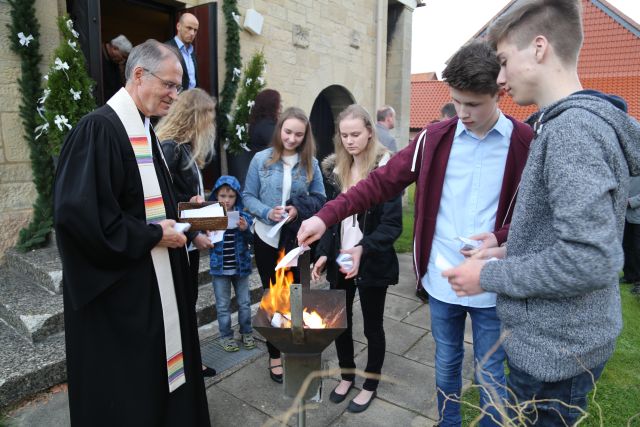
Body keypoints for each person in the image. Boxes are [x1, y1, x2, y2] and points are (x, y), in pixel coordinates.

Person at [298, 40, 533, 427]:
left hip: (492, 282)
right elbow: (376, 184)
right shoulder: (433, 138)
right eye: (456, 102)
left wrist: (503, 236)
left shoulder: (524, 143)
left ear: (499, 91)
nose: (463, 113)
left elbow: (532, 215)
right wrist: (326, 217)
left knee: (490, 375)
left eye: (473, 104)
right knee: (446, 364)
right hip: (441, 280)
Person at [440, 1, 640, 425]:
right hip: (558, 342)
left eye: (505, 61)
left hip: (557, 354)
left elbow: (590, 259)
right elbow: (565, 238)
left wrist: (487, 276)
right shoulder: (564, 124)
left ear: (540, 47)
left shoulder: (573, 132)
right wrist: (506, 251)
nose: (499, 78)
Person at [54, 39, 210, 425]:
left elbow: (148, 204)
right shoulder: (99, 130)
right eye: (170, 85)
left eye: (179, 87)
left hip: (154, 290)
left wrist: (195, 218)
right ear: (139, 75)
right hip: (124, 298)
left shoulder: (145, 130)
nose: (175, 96)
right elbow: (82, 221)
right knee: (131, 391)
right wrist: (155, 236)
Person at [312, 104, 401, 413]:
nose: (349, 141)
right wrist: (323, 253)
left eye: (355, 134)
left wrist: (363, 248)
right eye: (344, 135)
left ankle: (371, 383)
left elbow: (393, 225)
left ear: (369, 133)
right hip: (341, 259)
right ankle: (347, 376)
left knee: (372, 327)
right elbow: (331, 218)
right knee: (341, 323)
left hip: (372, 259)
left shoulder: (385, 169)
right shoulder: (336, 170)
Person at [243, 107, 326, 384]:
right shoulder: (260, 160)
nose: (291, 138)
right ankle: (274, 355)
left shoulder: (311, 163)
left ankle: (297, 347)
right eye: (287, 132)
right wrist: (268, 212)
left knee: (297, 295)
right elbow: (247, 197)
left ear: (306, 137)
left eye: (298, 134)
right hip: (267, 238)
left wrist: (297, 210)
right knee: (273, 297)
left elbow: (321, 199)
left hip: (297, 241)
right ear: (280, 130)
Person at [157, 88, 217, 303]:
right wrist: (194, 234)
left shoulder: (186, 147)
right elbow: (166, 198)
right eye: (207, 116)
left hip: (186, 236)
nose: (210, 123)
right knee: (182, 300)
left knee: (189, 298)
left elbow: (188, 195)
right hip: (178, 238)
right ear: (194, 116)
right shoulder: (170, 148)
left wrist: (209, 220)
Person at [208, 176, 256, 352]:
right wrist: (208, 232)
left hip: (241, 267)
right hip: (219, 269)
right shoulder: (210, 216)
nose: (226, 200)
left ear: (237, 197)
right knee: (222, 306)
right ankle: (226, 336)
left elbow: (252, 239)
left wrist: (245, 229)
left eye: (231, 196)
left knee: (244, 303)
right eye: (222, 196)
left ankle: (246, 332)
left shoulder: (243, 216)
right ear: (216, 196)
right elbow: (205, 241)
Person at [166, 13, 199, 90]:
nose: (192, 33)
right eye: (189, 28)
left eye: (195, 30)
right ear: (178, 26)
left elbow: (193, 81)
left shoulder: (192, 52)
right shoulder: (166, 48)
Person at [102, 34, 132, 101]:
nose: (123, 60)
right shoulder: (97, 53)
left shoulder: (116, 62)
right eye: (123, 56)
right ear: (114, 48)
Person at [623, 176, 640, 295]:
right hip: (625, 216)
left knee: (637, 248)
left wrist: (631, 202)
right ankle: (629, 276)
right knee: (627, 246)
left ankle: (638, 280)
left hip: (637, 217)